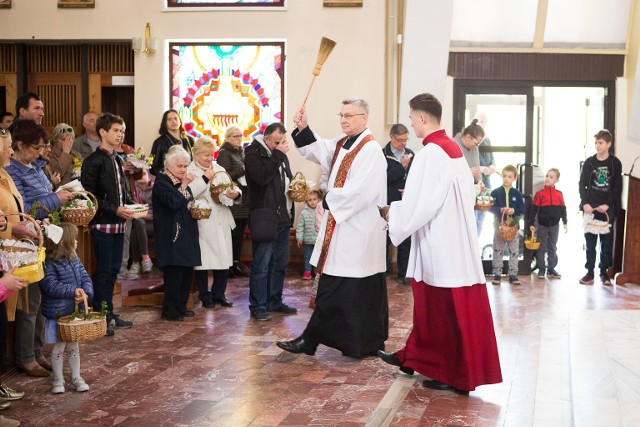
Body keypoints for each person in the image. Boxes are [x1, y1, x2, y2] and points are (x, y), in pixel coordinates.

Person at [378, 92, 502, 392]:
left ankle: (454, 373)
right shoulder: (452, 149)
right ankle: (417, 358)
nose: (411, 124)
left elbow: (423, 203)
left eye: (411, 118)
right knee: (436, 309)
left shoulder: (431, 153)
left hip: (440, 242)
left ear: (422, 118)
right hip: (454, 237)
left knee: (442, 309)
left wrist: (391, 212)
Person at [277, 98, 388, 358]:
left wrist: (329, 199)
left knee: (341, 287)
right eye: (341, 115)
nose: (344, 120)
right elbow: (319, 149)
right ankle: (360, 343)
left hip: (357, 230)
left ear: (364, 118)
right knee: (345, 287)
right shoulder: (343, 143)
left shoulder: (370, 150)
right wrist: (304, 127)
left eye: (350, 115)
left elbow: (362, 192)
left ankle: (314, 339)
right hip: (342, 227)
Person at [6, 119, 74, 378]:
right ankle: (25, 356)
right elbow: (23, 207)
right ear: (19, 145)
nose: (40, 152)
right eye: (36, 147)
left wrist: (57, 193)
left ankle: (36, 351)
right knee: (30, 301)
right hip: (22, 241)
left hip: (41, 239)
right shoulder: (12, 171)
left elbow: (42, 196)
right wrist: (55, 198)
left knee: (42, 297)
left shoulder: (34, 167)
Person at [81, 113, 135, 336]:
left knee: (114, 270)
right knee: (103, 270)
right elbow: (88, 195)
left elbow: (123, 191)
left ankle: (109, 313)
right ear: (103, 132)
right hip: (103, 224)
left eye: (122, 130)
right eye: (116, 130)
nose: (120, 134)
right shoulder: (93, 160)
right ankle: (100, 316)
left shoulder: (118, 159)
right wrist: (114, 209)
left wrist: (132, 206)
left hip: (119, 223)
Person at [244, 123, 296, 321]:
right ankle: (258, 306)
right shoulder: (252, 153)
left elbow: (285, 180)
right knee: (262, 264)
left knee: (280, 263)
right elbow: (261, 178)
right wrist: (278, 155)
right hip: (264, 216)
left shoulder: (279, 155)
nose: (280, 145)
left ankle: (274, 301)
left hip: (282, 215)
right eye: (276, 142)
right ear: (266, 139)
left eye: (283, 142)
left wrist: (296, 188)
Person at [153, 145, 208, 321]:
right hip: (171, 234)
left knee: (186, 270)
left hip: (187, 231)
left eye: (185, 166)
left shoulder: (178, 180)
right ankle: (170, 310)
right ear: (169, 166)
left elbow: (185, 200)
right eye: (180, 167)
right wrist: (185, 185)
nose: (184, 170)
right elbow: (173, 202)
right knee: (174, 273)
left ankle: (181, 306)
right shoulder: (162, 182)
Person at [40, 223, 93, 394]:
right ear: (63, 242)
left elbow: (85, 277)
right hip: (58, 314)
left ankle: (76, 377)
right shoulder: (49, 263)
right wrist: (72, 291)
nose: (77, 242)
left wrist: (85, 292)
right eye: (74, 239)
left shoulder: (74, 259)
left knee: (73, 347)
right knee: (58, 348)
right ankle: (58, 379)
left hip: (72, 313)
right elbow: (49, 286)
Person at [187, 137, 239, 309]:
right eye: (205, 155)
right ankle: (204, 295)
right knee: (204, 260)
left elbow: (231, 184)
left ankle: (219, 294)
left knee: (223, 258)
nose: (209, 158)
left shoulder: (218, 168)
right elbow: (188, 194)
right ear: (196, 154)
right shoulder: (190, 170)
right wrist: (204, 178)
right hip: (203, 220)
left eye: (211, 154)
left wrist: (234, 193)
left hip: (221, 218)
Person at [578, 129, 623, 286]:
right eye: (596, 142)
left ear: (609, 144)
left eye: (601, 143)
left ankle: (604, 273)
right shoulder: (589, 162)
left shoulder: (615, 163)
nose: (597, 146)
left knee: (606, 243)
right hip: (590, 207)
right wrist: (585, 203)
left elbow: (617, 187)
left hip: (607, 209)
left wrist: (608, 204)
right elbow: (582, 184)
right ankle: (589, 272)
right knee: (590, 243)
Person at [216, 125, 251, 277]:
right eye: (236, 136)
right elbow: (225, 177)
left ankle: (235, 262)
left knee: (239, 236)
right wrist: (244, 167)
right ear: (228, 138)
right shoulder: (224, 153)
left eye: (241, 136)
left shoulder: (241, 152)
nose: (239, 139)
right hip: (233, 201)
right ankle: (228, 265)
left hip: (243, 201)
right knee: (232, 235)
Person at [383, 124, 414, 285]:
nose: (403, 143)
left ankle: (405, 273)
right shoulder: (383, 155)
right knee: (385, 239)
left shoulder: (411, 155)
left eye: (405, 140)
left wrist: (409, 189)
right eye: (400, 140)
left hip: (406, 203)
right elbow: (384, 179)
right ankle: (382, 271)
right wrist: (402, 167)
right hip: (389, 202)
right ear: (392, 137)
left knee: (405, 238)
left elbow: (416, 177)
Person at [527, 168, 568, 279]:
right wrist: (531, 223)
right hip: (542, 224)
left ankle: (551, 269)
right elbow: (534, 209)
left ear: (557, 180)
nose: (548, 179)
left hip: (555, 225)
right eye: (547, 176)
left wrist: (565, 222)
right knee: (541, 247)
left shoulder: (559, 194)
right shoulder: (540, 194)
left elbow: (563, 209)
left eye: (551, 177)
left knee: (552, 246)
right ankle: (541, 268)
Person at [490, 165, 525, 285]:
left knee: (514, 251)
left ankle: (513, 274)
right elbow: (490, 207)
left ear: (514, 178)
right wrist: (500, 210)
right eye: (504, 176)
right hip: (498, 228)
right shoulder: (495, 192)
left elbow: (522, 209)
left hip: (513, 228)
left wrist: (513, 211)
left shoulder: (517, 193)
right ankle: (497, 274)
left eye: (509, 177)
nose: (506, 179)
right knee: (497, 250)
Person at [150, 110, 194, 177]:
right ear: (165, 123)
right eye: (169, 119)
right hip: (168, 182)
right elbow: (153, 168)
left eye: (176, 118)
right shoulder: (158, 142)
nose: (173, 121)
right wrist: (169, 175)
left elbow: (193, 162)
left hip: (188, 179)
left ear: (180, 121)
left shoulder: (189, 140)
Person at [474, 112, 496, 234]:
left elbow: (492, 158)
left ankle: (476, 246)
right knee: (473, 218)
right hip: (474, 184)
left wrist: (492, 166)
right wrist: (481, 168)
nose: (482, 123)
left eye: (484, 121)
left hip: (486, 185)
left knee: (481, 219)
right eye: (479, 120)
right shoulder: (469, 140)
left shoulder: (487, 140)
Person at [296, 190, 321, 280]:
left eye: (314, 199)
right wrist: (299, 238)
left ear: (319, 200)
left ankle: (317, 271)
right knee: (308, 256)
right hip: (307, 240)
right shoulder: (303, 213)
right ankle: (307, 271)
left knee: (317, 257)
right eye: (310, 200)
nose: (312, 201)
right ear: (307, 201)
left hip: (318, 240)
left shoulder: (321, 211)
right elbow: (300, 227)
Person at [453, 119, 484, 185]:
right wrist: (468, 173)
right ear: (468, 137)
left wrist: (479, 182)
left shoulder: (474, 148)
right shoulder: (453, 146)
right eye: (476, 143)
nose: (476, 146)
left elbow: (477, 168)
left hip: (471, 189)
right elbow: (451, 175)